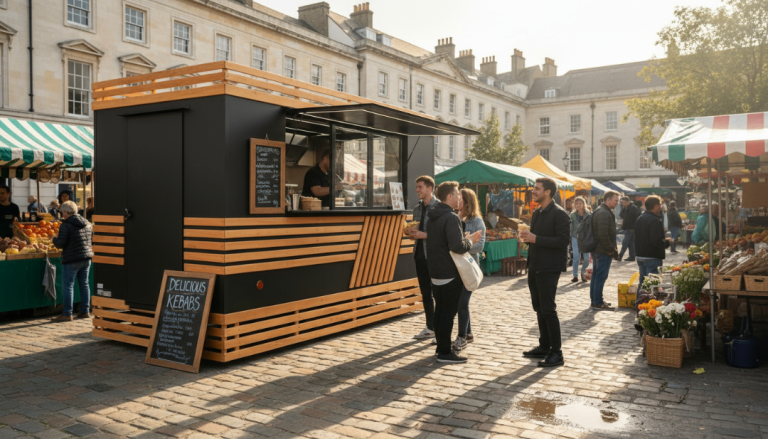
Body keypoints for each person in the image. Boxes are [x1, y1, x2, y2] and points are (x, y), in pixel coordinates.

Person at [427, 181, 481, 364]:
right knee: (447, 313)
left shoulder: (432, 215)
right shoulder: (450, 217)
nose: (459, 197)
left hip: (435, 271)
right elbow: (457, 247)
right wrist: (470, 241)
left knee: (440, 311)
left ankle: (441, 347)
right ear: (449, 196)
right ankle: (444, 351)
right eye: (457, 194)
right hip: (449, 273)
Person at [519, 178, 570, 368]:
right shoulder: (537, 213)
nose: (534, 192)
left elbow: (562, 241)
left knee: (548, 309)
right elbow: (536, 240)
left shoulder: (560, 215)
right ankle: (544, 345)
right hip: (535, 266)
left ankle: (557, 352)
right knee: (538, 307)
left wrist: (536, 238)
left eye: (537, 189)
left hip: (549, 267)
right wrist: (527, 239)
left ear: (547, 192)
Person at [453, 188, 486, 352]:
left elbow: (480, 246)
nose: (457, 199)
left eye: (460, 197)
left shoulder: (477, 221)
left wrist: (465, 244)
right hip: (455, 267)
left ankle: (461, 336)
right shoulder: (453, 218)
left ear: (467, 201)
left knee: (462, 302)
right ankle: (469, 333)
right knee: (460, 302)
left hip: (468, 267)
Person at [51, 201, 94, 322]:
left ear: (65, 212)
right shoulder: (87, 223)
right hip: (86, 258)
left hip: (72, 259)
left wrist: (54, 239)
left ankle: (67, 313)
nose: (62, 214)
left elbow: (60, 244)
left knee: (68, 286)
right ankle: (85, 311)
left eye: (62, 212)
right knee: (84, 284)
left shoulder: (65, 225)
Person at [409, 175, 438, 340]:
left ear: (429, 188)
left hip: (434, 257)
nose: (417, 190)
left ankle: (440, 329)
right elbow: (416, 233)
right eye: (417, 187)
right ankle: (430, 327)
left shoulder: (440, 208)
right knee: (426, 294)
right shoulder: (416, 209)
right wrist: (411, 233)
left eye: (420, 187)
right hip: (419, 256)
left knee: (438, 295)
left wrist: (424, 235)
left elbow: (442, 235)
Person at [590, 191, 620, 310]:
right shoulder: (603, 212)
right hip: (602, 250)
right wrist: (610, 249)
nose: (617, 203)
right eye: (616, 200)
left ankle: (596, 299)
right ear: (608, 200)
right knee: (600, 276)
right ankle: (597, 301)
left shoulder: (602, 210)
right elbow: (603, 234)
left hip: (599, 249)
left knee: (597, 275)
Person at [635, 196, 674, 288]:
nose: (661, 207)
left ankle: (639, 302)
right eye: (660, 205)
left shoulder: (640, 218)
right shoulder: (654, 220)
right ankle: (650, 302)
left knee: (643, 283)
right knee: (653, 285)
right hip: (651, 257)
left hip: (640, 255)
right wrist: (667, 242)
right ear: (656, 206)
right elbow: (656, 241)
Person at [570, 196, 591, 282]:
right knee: (576, 257)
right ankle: (575, 276)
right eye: (576, 203)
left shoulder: (589, 214)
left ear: (583, 204)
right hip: (575, 237)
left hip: (586, 238)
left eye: (580, 203)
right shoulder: (572, 215)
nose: (578, 205)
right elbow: (571, 227)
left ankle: (583, 273)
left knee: (586, 258)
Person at [617, 197, 640, 262]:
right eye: (621, 202)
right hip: (628, 228)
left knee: (625, 242)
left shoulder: (633, 208)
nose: (622, 204)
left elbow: (630, 218)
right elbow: (621, 215)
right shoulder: (625, 208)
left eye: (623, 202)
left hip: (631, 228)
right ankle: (632, 256)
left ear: (628, 202)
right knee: (630, 243)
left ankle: (620, 256)